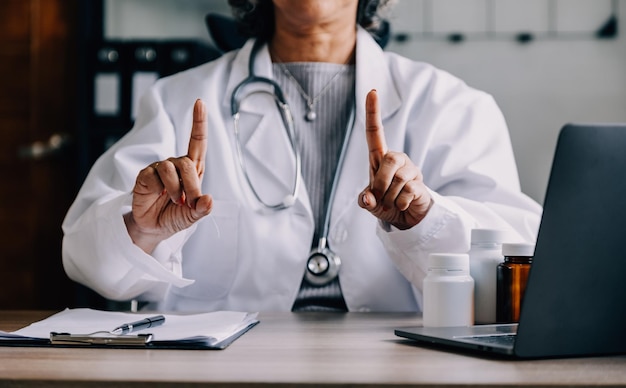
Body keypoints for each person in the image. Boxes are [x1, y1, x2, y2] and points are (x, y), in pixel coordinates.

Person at [62, 0, 542, 312]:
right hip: (225, 375)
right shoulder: (176, 102)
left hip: (397, 372)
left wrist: (426, 219)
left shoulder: (451, 106)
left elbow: (519, 262)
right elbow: (92, 262)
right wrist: (142, 230)